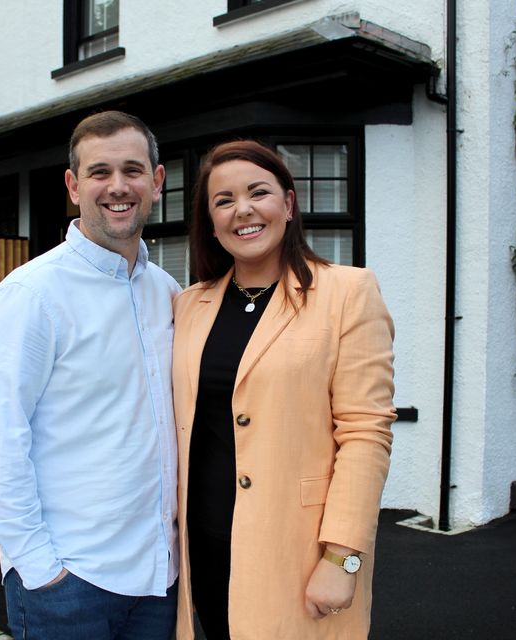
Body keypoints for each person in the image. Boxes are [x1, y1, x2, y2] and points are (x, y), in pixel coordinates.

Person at [0, 110, 180, 640]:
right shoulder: (30, 297)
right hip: (70, 583)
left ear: (156, 181)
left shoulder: (167, 292)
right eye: (99, 172)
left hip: (159, 578)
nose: (117, 187)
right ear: (73, 186)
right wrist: (41, 569)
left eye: (133, 170)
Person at [172, 140, 396, 639]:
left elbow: (366, 433)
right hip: (203, 547)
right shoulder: (188, 305)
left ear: (289, 204)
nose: (243, 210)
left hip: (299, 551)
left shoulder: (347, 293)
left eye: (258, 193)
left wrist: (344, 557)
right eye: (224, 200)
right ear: (210, 221)